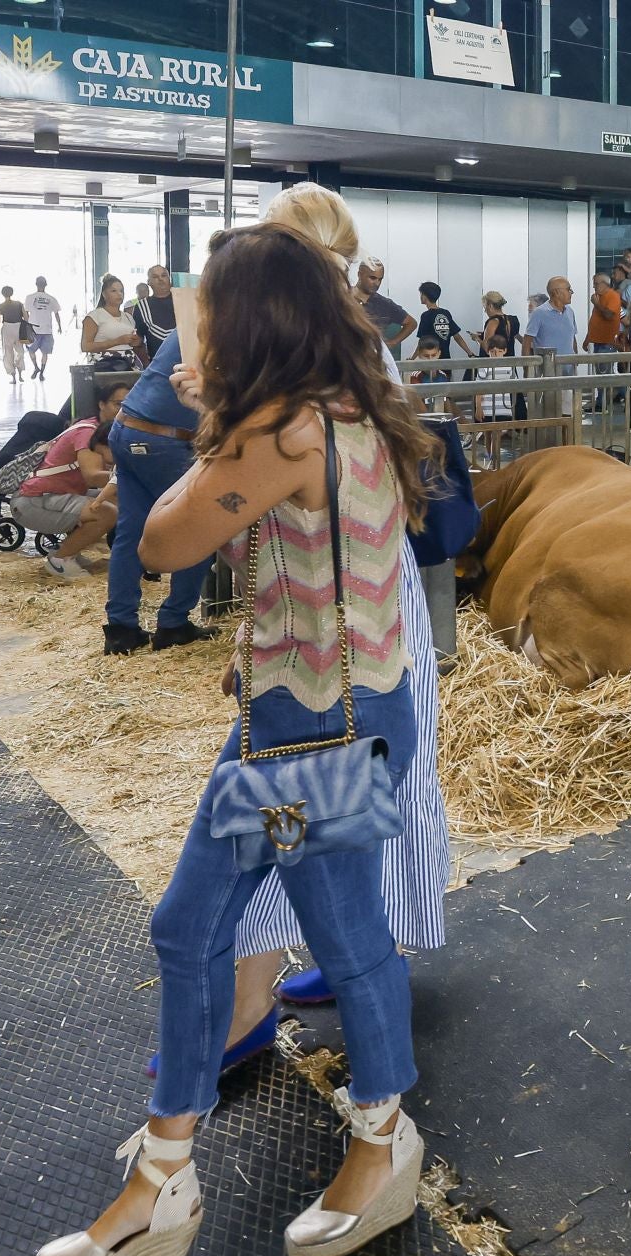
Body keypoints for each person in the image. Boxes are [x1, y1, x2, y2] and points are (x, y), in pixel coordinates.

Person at [35, 220, 442, 1256]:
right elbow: (318, 560)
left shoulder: (284, 430)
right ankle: (166, 1170)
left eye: (204, 313)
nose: (192, 331)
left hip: (321, 731)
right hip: (299, 712)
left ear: (250, 320)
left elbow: (162, 539)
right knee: (195, 924)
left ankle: (380, 1141)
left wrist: (203, 410)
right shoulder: (343, 404)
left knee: (338, 931)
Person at [184, 179, 455, 1050]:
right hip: (359, 604)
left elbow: (190, 531)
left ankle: (274, 994)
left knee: (296, 800)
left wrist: (215, 413)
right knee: (353, 795)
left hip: (340, 614)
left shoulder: (308, 369)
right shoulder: (353, 350)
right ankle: (357, 962)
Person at [105, 331, 219, 655]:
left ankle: (120, 629)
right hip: (165, 439)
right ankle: (173, 621)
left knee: (130, 531)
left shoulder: (188, 322)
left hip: (126, 427)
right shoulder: (233, 328)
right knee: (200, 528)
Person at [17, 382, 126, 577]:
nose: (124, 410)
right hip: (36, 499)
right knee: (107, 512)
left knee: (117, 498)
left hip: (55, 493)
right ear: (101, 404)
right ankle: (60, 560)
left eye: (129, 405)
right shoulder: (89, 432)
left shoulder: (100, 428)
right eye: (118, 404)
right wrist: (130, 476)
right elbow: (93, 476)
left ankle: (71, 552)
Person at [82, 275, 146, 370]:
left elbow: (135, 343)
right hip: (104, 364)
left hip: (129, 362)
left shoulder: (128, 317)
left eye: (121, 291)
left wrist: (136, 341)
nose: (119, 294)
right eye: (114, 291)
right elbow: (86, 346)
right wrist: (117, 341)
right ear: (104, 294)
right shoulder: (94, 316)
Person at [354, 257, 416, 353]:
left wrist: (392, 343)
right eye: (372, 278)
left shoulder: (385, 304)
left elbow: (411, 323)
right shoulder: (342, 298)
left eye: (380, 279)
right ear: (359, 274)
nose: (377, 283)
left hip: (373, 357)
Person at [523, 277, 580, 358]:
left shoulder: (570, 311)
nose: (571, 292)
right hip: (547, 365)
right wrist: (527, 364)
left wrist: (575, 360)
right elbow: (527, 341)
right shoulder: (539, 313)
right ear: (556, 292)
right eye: (568, 290)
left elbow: (573, 339)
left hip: (569, 364)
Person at [416, 282, 474, 357]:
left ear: (425, 296)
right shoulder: (446, 313)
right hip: (446, 359)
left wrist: (412, 358)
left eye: (421, 293)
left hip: (432, 359)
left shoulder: (425, 316)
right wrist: (470, 353)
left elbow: (422, 341)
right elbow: (457, 337)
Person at [132, 265, 178, 356]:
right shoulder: (141, 307)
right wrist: (146, 363)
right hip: (157, 361)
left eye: (164, 275)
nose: (160, 279)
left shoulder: (182, 300)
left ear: (169, 279)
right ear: (148, 282)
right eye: (155, 277)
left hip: (187, 360)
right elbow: (138, 341)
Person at [23, 275, 62, 380]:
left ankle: (36, 367)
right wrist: (59, 326)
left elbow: (25, 313)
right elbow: (56, 314)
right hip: (47, 329)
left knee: (31, 350)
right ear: (46, 285)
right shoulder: (51, 298)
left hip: (33, 329)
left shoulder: (29, 297)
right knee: (45, 353)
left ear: (36, 284)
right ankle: (42, 373)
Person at [0, 285, 27, 383]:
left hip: (7, 328)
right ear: (12, 293)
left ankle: (13, 376)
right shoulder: (19, 304)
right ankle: (20, 374)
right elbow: (26, 318)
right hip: (18, 328)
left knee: (8, 353)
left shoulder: (0, 306)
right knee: (20, 351)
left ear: (2, 294)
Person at [479, 289, 522, 357]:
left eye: (485, 308)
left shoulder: (493, 321)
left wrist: (477, 339)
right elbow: (508, 337)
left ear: (490, 306)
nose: (485, 311)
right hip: (510, 360)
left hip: (495, 361)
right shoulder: (514, 320)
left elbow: (486, 347)